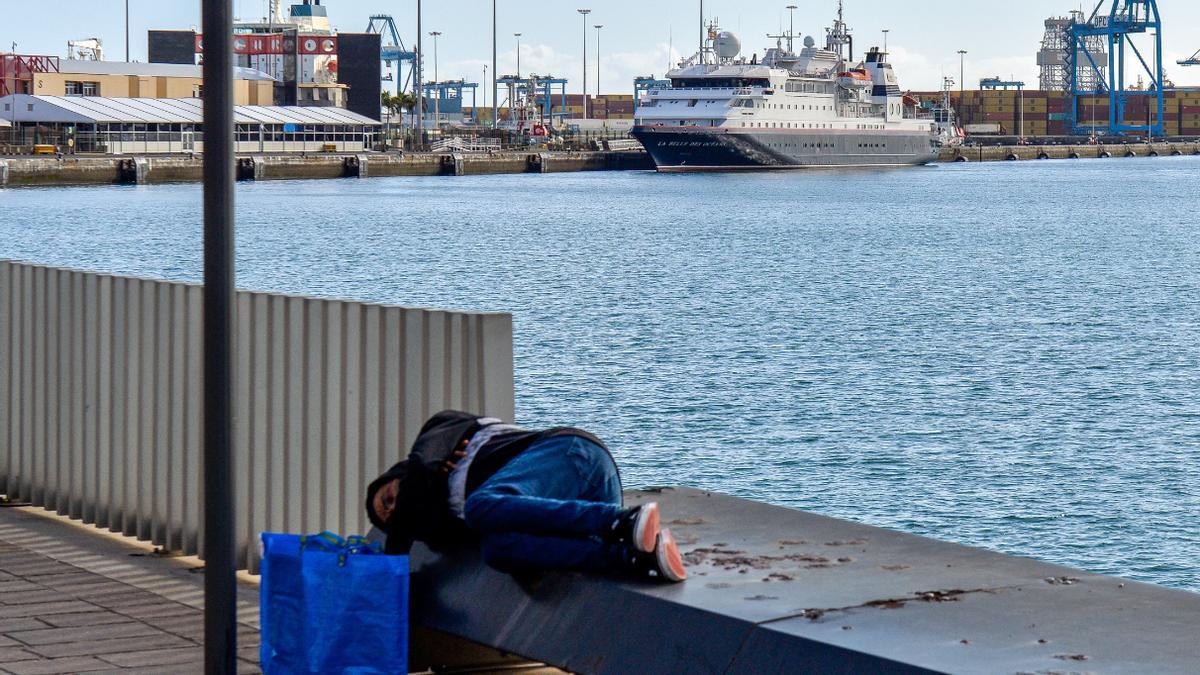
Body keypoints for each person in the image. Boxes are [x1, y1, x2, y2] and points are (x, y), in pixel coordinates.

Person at [365, 410, 687, 582]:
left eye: (389, 499)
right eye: (391, 518)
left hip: (574, 457)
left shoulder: (438, 433)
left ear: (398, 474)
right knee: (496, 549)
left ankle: (624, 521)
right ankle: (635, 558)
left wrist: (391, 557)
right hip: (578, 507)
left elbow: (421, 467)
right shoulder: (447, 519)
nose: (398, 509)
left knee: (481, 506)